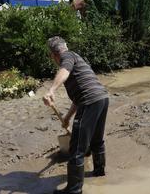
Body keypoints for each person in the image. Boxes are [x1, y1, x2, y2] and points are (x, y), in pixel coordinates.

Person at [43, 36, 109, 194]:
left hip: (90, 101)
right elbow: (78, 99)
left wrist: (51, 90)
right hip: (102, 98)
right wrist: (67, 118)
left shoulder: (67, 57)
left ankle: (73, 190)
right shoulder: (77, 59)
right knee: (96, 140)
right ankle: (99, 171)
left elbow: (64, 71)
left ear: (54, 55)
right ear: (64, 47)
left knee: (77, 149)